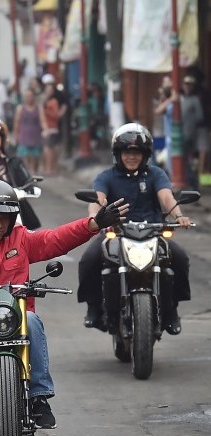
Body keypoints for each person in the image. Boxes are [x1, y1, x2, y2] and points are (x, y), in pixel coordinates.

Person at [0, 179, 128, 429]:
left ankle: (39, 397)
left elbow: (56, 239)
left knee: (33, 320)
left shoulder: (21, 239)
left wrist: (94, 224)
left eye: (5, 218)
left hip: (16, 317)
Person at [77, 123, 192, 335]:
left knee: (180, 258)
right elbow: (97, 199)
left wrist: (179, 215)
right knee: (88, 261)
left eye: (136, 152)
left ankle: (172, 310)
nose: (131, 156)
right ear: (118, 154)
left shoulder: (156, 174)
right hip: (116, 233)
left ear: (145, 154)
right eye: (127, 152)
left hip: (152, 233)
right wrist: (94, 217)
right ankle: (93, 307)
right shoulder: (106, 176)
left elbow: (166, 197)